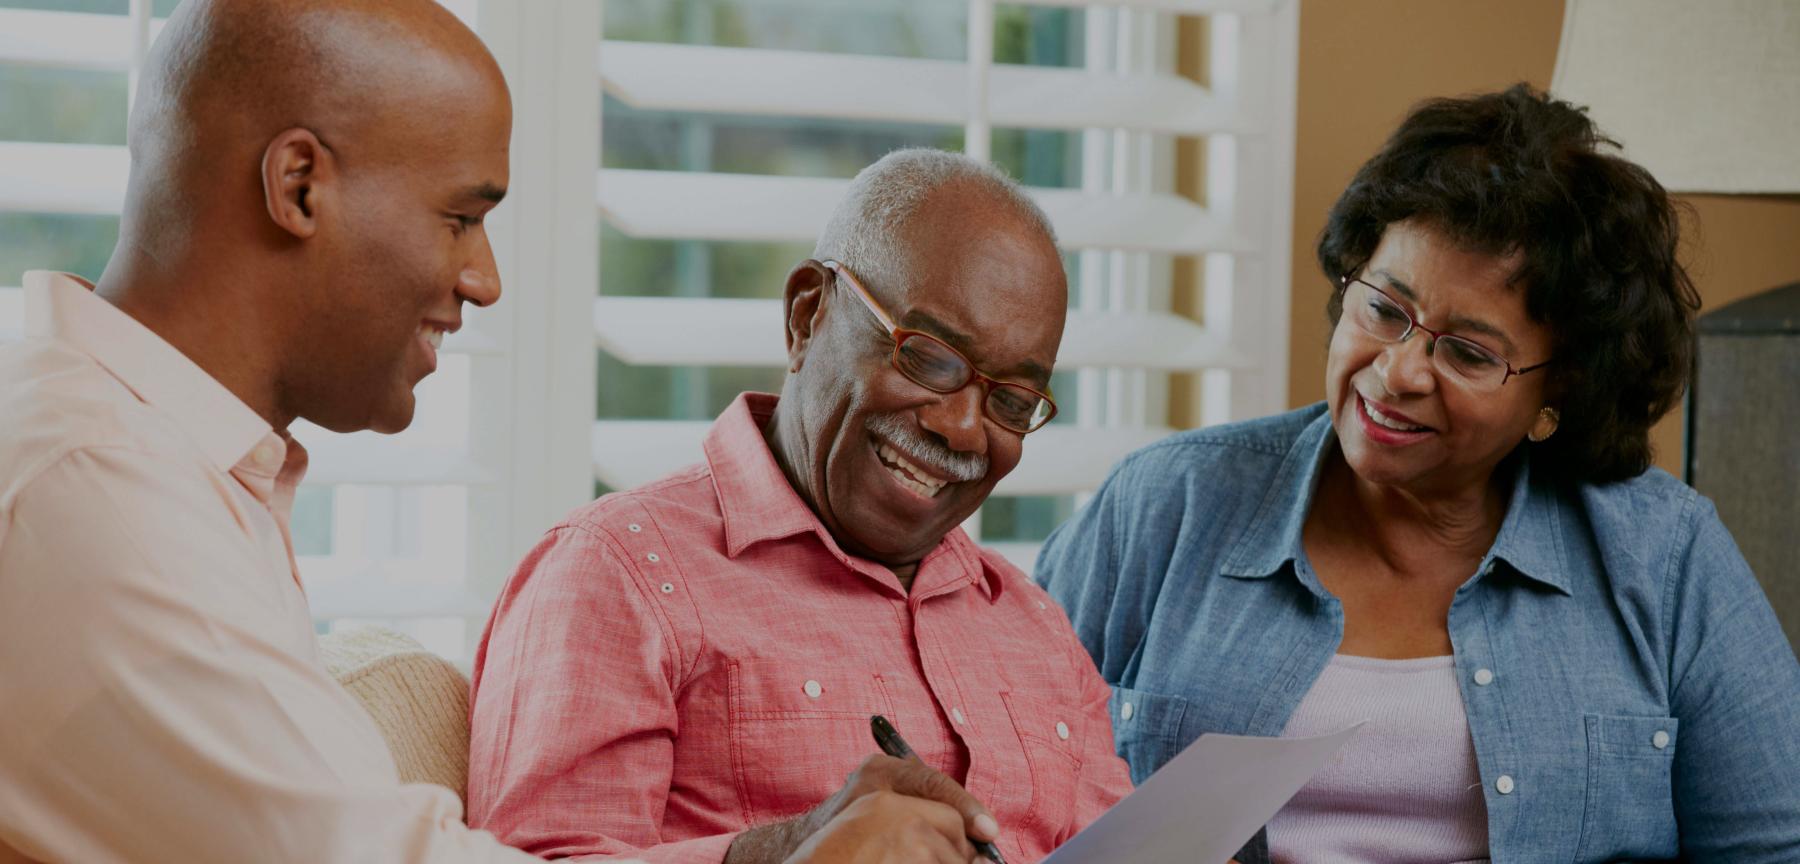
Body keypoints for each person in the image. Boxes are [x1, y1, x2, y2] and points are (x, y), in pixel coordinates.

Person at [0, 2, 926, 861]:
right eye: (461, 218)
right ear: (299, 185)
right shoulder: (95, 492)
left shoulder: (159, 459)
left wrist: (772, 851)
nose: (484, 279)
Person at [1038, 84, 1800, 863]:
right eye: (1384, 309)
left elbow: (1776, 846)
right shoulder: (1166, 504)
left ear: (1560, 389)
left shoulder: (1662, 555)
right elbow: (1004, 774)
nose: (1398, 372)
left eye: (1468, 353)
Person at [466, 149, 1134, 864]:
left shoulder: (1033, 626)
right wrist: (789, 853)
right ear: (808, 315)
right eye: (929, 357)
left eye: (1011, 400)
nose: (963, 428)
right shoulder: (618, 573)